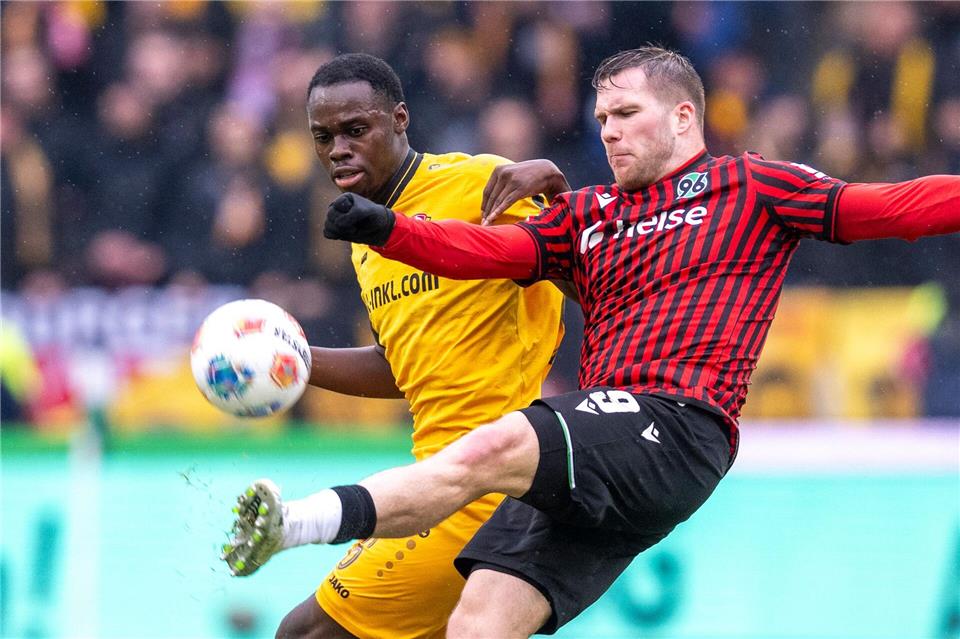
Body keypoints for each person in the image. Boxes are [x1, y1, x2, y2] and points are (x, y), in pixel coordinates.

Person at [261, 46, 960, 636]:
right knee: (478, 621)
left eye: (626, 114)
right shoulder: (588, 218)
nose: (609, 133)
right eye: (601, 120)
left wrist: (391, 228)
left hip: (677, 426)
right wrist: (388, 230)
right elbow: (483, 252)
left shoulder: (749, 185)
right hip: (599, 462)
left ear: (685, 116)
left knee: (496, 443)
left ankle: (293, 521)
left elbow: (891, 209)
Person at [221, 54, 568, 638]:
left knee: (305, 632)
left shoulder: (479, 185)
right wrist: (291, 360)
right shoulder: (367, 234)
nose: (338, 149)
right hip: (434, 479)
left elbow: (590, 260)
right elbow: (400, 367)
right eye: (323, 136)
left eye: (356, 130)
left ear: (400, 119)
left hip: (491, 479)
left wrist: (559, 188)